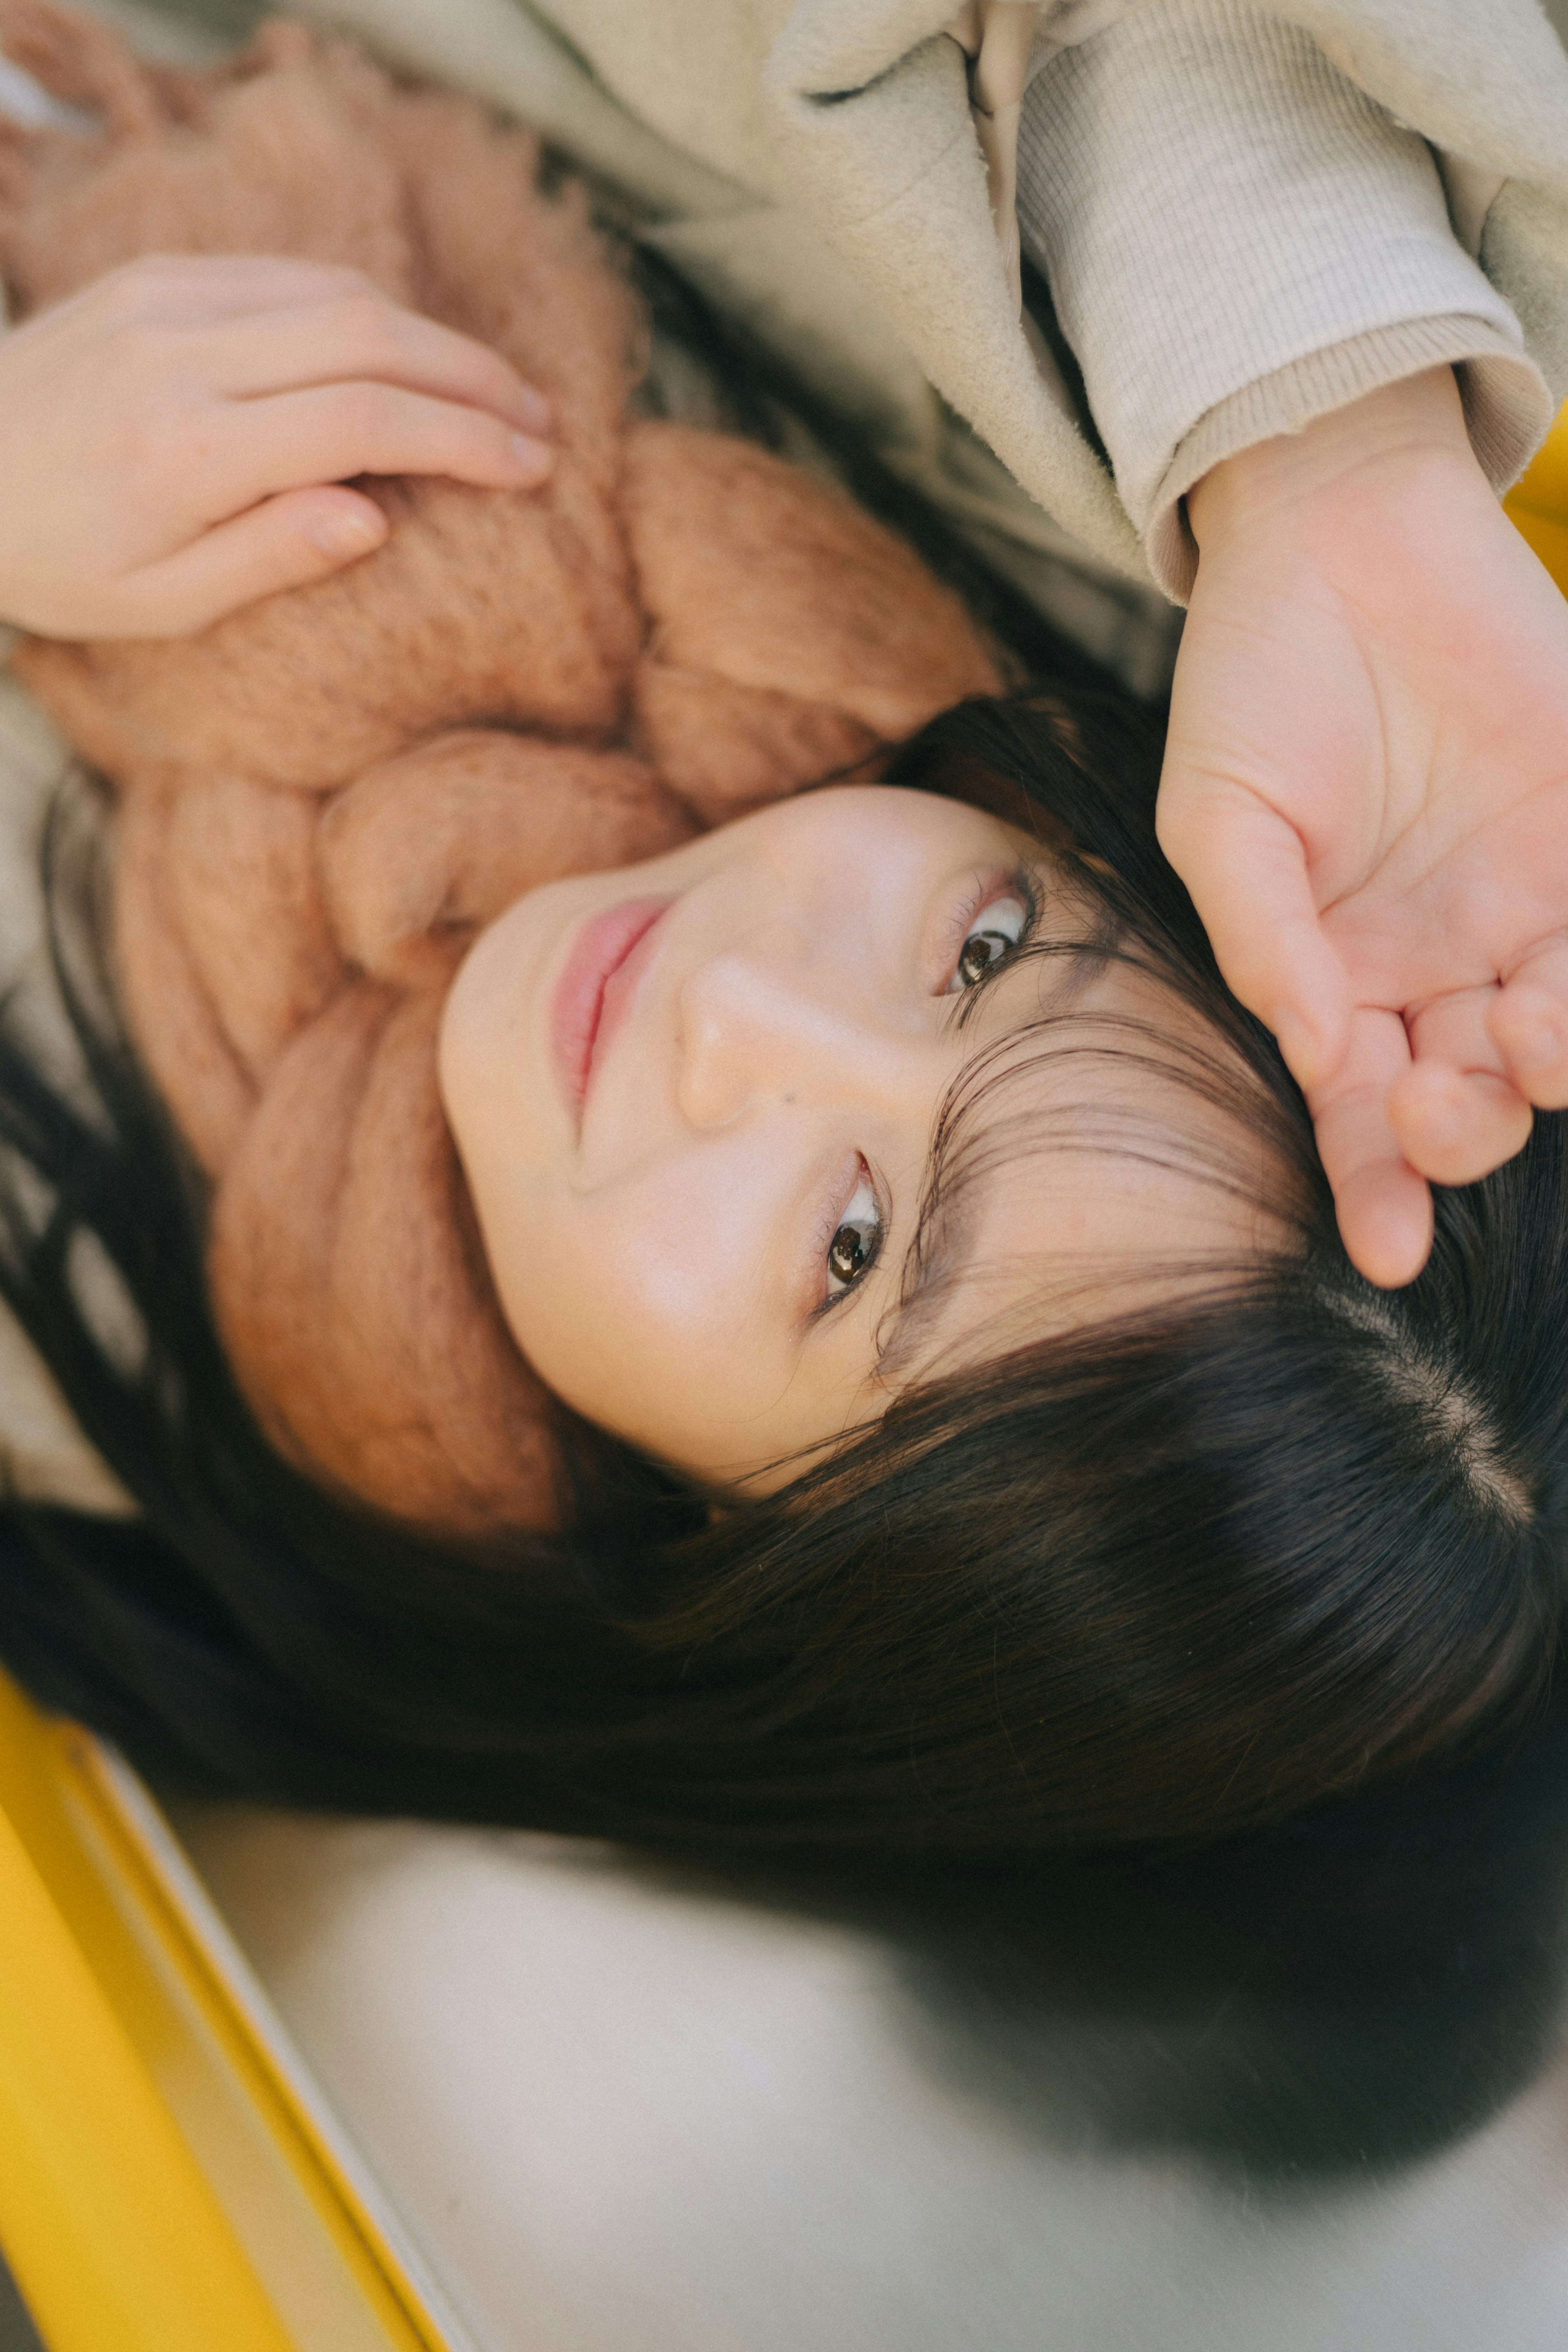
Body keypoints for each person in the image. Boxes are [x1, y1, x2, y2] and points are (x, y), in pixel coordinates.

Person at [0, 0, 1564, 1860]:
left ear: (749, 1549)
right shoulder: (1033, 574)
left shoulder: (84, 1314)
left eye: (848, 1246)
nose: (742, 998)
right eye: (985, 953)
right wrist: (1329, 456)